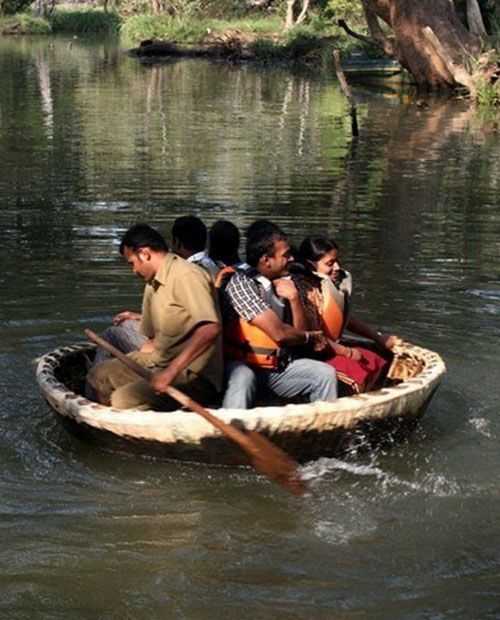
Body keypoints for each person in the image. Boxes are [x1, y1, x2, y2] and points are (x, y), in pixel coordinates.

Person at [87, 223, 222, 411]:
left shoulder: (187, 275)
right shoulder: (152, 282)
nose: (133, 270)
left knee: (123, 399)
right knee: (98, 375)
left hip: (193, 375)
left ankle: (131, 433)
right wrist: (133, 362)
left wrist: (170, 372)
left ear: (144, 253)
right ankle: (107, 427)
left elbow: (211, 328)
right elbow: (152, 339)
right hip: (158, 363)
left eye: (132, 263)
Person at [220, 220, 338, 409]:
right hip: (239, 364)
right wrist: (311, 337)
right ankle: (231, 431)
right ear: (266, 260)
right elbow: (279, 333)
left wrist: (294, 299)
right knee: (243, 377)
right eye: (286, 255)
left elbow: (299, 336)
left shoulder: (285, 283)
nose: (292, 259)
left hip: (274, 367)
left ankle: (324, 434)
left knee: (324, 374)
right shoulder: (240, 283)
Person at [295, 236, 399, 394]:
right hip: (314, 353)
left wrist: (378, 339)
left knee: (378, 359)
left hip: (330, 347)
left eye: (337, 261)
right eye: (330, 263)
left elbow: (344, 319)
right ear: (311, 264)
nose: (337, 267)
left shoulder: (324, 285)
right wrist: (347, 352)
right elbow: (314, 338)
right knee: (359, 371)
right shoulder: (304, 290)